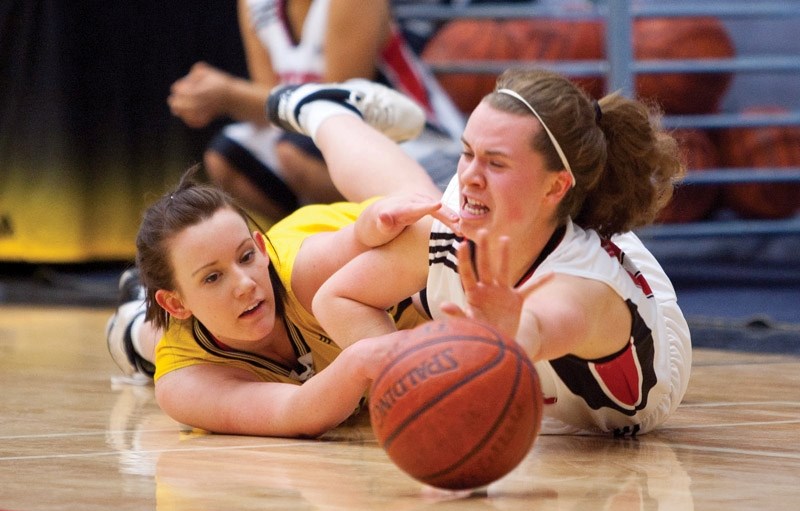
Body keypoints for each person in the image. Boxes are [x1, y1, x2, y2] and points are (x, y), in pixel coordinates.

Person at [272, 68, 692, 436]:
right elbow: (339, 297)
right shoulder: (463, 215)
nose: (470, 176)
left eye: (496, 162)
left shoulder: (581, 290)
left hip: (649, 345)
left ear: (555, 185)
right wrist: (407, 382)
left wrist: (500, 336)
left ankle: (329, 112)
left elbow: (535, 331)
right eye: (467, 152)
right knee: (412, 205)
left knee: (425, 219)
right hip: (524, 223)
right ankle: (325, 110)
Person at [106, 81, 460, 437]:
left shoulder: (306, 272)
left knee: (430, 215)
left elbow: (357, 237)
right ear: (174, 301)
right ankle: (135, 321)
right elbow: (292, 413)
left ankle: (324, 110)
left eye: (246, 257)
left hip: (326, 239)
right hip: (190, 325)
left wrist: (374, 225)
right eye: (213, 277)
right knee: (151, 339)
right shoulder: (184, 384)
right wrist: (363, 359)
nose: (245, 282)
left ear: (261, 248)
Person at [167, 0, 463, 222]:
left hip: (420, 141)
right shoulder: (255, 4)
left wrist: (228, 94)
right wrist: (219, 95)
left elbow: (335, 101)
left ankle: (409, 229)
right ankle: (307, 243)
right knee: (226, 157)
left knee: (296, 152)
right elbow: (271, 105)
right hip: (314, 136)